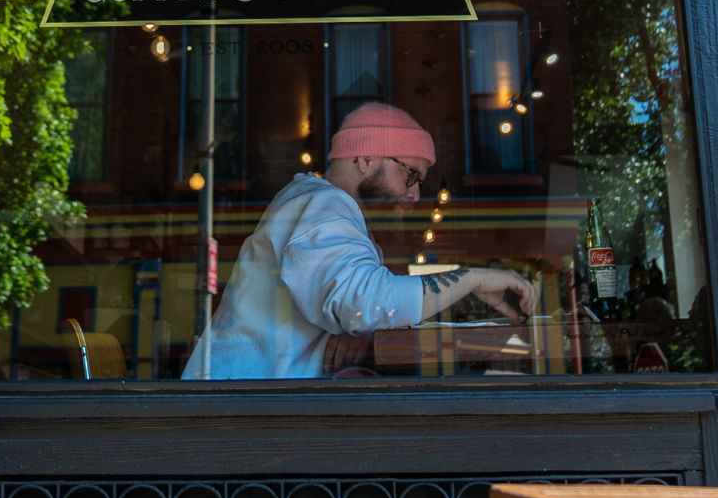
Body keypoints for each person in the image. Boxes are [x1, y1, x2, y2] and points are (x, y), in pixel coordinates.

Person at [182, 103, 535, 379]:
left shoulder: (323, 209)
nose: (414, 195)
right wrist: (472, 279)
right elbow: (363, 302)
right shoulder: (323, 204)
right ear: (365, 158)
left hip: (242, 412)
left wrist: (360, 329)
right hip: (231, 422)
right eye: (410, 175)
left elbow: (359, 308)